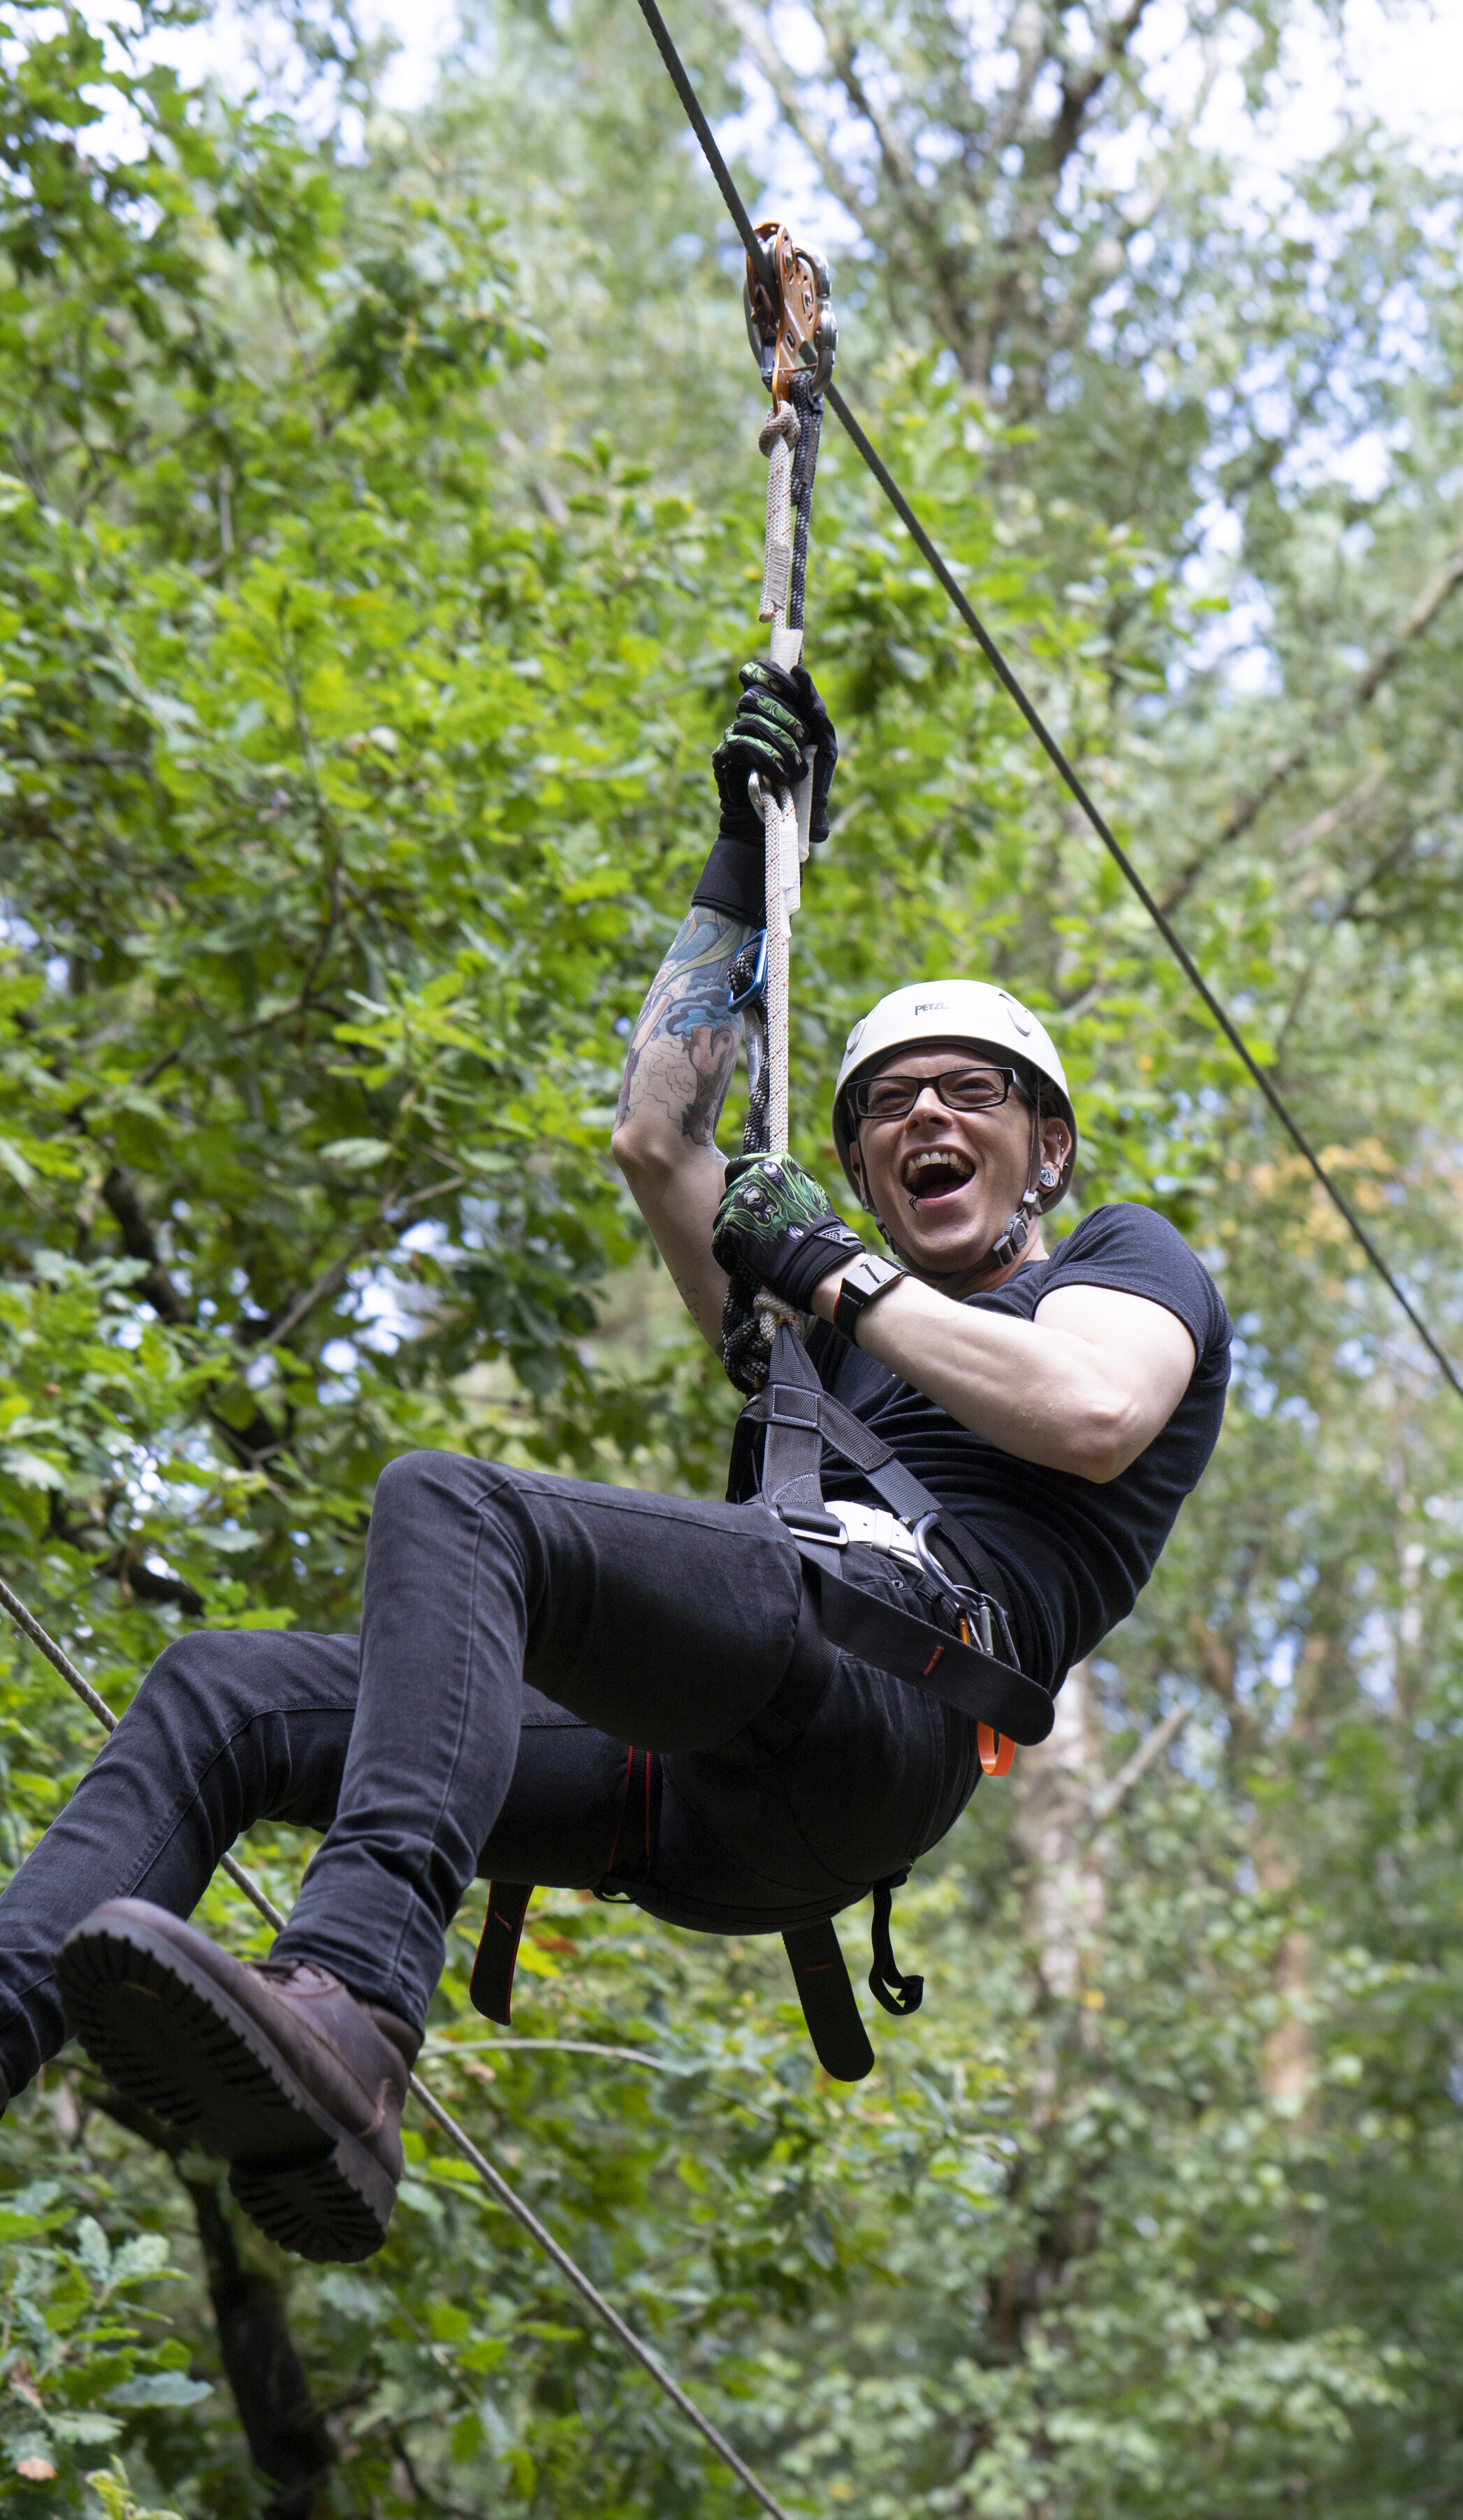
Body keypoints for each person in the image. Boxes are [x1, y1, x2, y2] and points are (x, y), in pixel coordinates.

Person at [0, 662, 1230, 2265]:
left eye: (968, 1096)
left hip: (893, 1692)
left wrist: (838, 1276)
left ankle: (359, 2001)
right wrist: (744, 867)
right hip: (701, 1794)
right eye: (885, 1111)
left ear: (1042, 1149)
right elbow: (657, 1139)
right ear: (860, 1164)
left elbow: (1090, 1416)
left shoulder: (1116, 1267)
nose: (925, 1116)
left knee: (454, 1502)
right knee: (221, 1694)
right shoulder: (820, 1321)